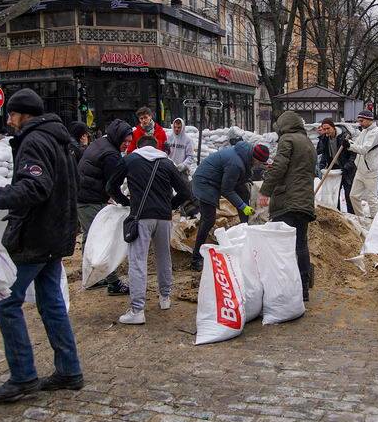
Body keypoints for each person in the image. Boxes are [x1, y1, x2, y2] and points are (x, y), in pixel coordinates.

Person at [0, 88, 83, 401]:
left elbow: (34, 187)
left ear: (24, 114)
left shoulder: (35, 141)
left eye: (11, 114)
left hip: (36, 237)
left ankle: (23, 376)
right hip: (55, 233)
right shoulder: (59, 139)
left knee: (7, 301)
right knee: (51, 301)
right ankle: (69, 370)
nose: (9, 120)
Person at [107, 136, 190, 324]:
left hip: (141, 217)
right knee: (163, 257)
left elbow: (110, 186)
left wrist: (126, 202)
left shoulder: (129, 160)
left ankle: (137, 310)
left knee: (137, 261)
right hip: (163, 218)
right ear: (156, 147)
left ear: (138, 146)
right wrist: (169, 206)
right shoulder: (167, 163)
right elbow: (185, 191)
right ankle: (165, 298)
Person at [258, 112, 316, 301]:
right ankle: (304, 288)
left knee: (284, 247)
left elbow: (280, 166)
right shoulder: (307, 142)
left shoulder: (287, 140)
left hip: (287, 201)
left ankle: (286, 288)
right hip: (304, 201)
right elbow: (299, 170)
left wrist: (265, 190)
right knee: (301, 244)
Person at [190, 142, 270, 271]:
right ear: (255, 159)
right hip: (204, 182)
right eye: (259, 163)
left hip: (215, 180)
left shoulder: (247, 154)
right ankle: (196, 258)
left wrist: (265, 166)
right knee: (208, 220)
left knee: (244, 192)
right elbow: (227, 190)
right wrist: (243, 206)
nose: (258, 166)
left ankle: (245, 231)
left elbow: (240, 179)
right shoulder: (235, 164)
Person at [76, 119, 134, 295]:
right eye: (125, 141)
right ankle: (113, 282)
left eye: (130, 142)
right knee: (102, 240)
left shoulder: (102, 142)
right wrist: (125, 202)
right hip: (89, 199)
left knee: (90, 236)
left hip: (82, 196)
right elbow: (112, 186)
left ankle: (91, 277)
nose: (126, 145)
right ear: (118, 138)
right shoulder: (111, 154)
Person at [344, 110, 378, 218]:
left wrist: (349, 146)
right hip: (360, 169)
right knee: (354, 196)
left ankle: (377, 222)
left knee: (372, 198)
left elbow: (364, 149)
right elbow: (357, 144)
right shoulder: (364, 131)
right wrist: (349, 143)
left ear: (369, 120)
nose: (360, 123)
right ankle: (361, 219)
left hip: (371, 171)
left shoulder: (376, 132)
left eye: (362, 120)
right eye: (359, 121)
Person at [316, 118, 355, 214]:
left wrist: (347, 167)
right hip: (334, 168)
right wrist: (321, 165)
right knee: (334, 193)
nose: (326, 131)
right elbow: (325, 153)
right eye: (324, 129)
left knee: (348, 194)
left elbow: (353, 154)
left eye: (328, 128)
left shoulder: (345, 137)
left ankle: (352, 215)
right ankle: (336, 214)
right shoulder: (325, 139)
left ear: (333, 127)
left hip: (346, 169)